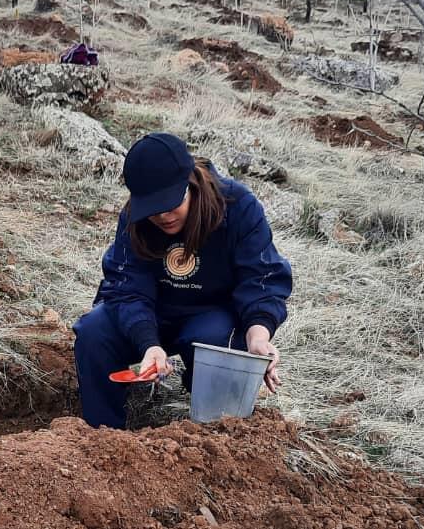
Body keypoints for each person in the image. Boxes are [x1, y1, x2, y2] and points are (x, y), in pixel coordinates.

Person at [74, 132, 292, 429]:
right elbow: (127, 288)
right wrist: (149, 344)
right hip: (152, 313)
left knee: (218, 343)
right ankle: (100, 435)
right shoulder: (134, 219)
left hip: (212, 317)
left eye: (170, 203)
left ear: (190, 183)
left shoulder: (238, 206)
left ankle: (214, 433)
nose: (163, 216)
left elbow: (262, 280)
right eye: (152, 209)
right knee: (94, 332)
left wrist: (258, 338)